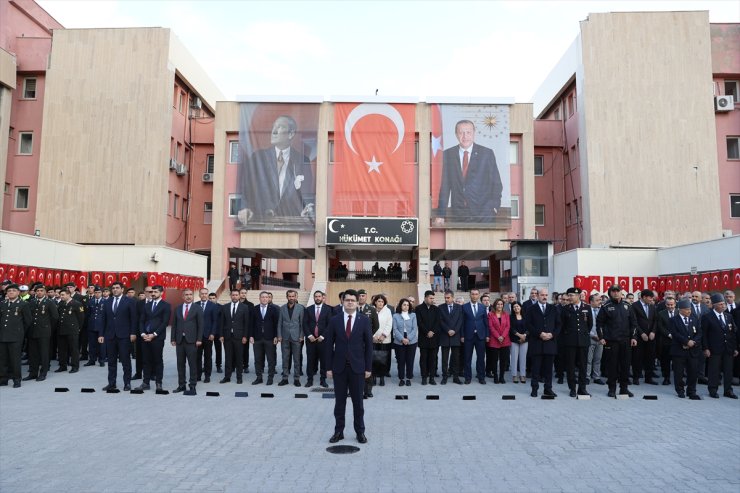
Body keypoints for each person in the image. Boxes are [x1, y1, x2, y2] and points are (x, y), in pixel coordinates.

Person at [237, 115, 315, 227]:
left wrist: (307, 209)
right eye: (273, 127)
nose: (273, 131)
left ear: (291, 134)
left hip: (291, 225)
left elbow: (305, 194)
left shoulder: (303, 161)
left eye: (280, 127)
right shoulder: (258, 158)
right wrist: (244, 208)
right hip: (260, 224)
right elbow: (246, 189)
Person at [326, 289, 372, 445]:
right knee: (339, 403)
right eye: (347, 300)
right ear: (343, 302)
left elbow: (369, 346)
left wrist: (368, 368)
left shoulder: (364, 320)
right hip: (339, 368)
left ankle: (360, 432)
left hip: (358, 368)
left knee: (358, 403)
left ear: (357, 302)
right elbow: (328, 346)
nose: (350, 302)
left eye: (353, 300)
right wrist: (328, 367)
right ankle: (338, 431)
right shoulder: (334, 320)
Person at [435, 119, 503, 224]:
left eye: (468, 132)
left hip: (484, 214)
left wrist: (494, 207)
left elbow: (496, 183)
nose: (465, 136)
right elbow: (445, 186)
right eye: (461, 132)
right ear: (456, 134)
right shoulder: (448, 154)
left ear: (474, 133)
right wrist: (441, 214)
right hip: (458, 214)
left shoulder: (486, 153)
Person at [596, 285, 638, 398]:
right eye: (613, 291)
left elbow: (634, 323)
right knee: (612, 366)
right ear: (610, 293)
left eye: (617, 291)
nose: (615, 293)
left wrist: (634, 337)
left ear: (621, 292)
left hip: (626, 341)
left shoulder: (627, 306)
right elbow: (599, 323)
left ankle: (624, 389)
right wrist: (601, 337)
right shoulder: (606, 306)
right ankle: (612, 389)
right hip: (611, 341)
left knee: (625, 366)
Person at [100, 282, 138, 392]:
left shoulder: (129, 301)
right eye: (113, 288)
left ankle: (127, 383)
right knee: (111, 361)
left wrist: (133, 333)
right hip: (110, 335)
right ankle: (111, 383)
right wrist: (101, 334)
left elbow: (133, 319)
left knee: (125, 361)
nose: (115, 290)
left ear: (122, 289)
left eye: (117, 288)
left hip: (124, 335)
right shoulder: (107, 302)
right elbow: (103, 320)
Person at [526, 287, 560, 398]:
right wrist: (539, 333)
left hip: (550, 343)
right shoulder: (531, 309)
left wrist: (552, 334)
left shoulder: (553, 309)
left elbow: (558, 324)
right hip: (536, 343)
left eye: (546, 295)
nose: (544, 297)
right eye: (542, 295)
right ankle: (534, 389)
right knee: (536, 368)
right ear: (537, 296)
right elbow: (528, 324)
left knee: (548, 369)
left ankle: (548, 389)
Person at [702, 293, 738, 399]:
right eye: (721, 304)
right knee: (714, 370)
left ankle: (728, 390)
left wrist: (735, 348)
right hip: (714, 349)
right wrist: (706, 348)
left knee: (728, 371)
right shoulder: (707, 317)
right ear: (715, 305)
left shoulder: (729, 316)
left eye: (724, 304)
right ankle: (713, 389)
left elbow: (733, 333)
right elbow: (704, 334)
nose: (723, 306)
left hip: (728, 348)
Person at [134, 285, 170, 392]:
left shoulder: (166, 306)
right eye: (152, 291)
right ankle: (146, 383)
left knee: (158, 360)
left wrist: (154, 334)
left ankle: (159, 383)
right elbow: (141, 321)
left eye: (155, 291)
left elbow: (165, 322)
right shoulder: (147, 305)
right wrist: (143, 334)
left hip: (157, 338)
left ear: (161, 293)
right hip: (145, 337)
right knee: (146, 361)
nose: (153, 293)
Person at [560, 287, 592, 397]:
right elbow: (562, 325)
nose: (569, 297)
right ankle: (572, 388)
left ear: (578, 296)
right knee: (570, 366)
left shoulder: (587, 307)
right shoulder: (565, 308)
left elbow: (589, 324)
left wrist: (583, 334)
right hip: (570, 341)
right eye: (568, 295)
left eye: (571, 295)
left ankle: (582, 388)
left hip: (583, 341)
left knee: (583, 366)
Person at [170, 289, 203, 394]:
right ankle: (181, 385)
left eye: (190, 295)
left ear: (193, 296)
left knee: (192, 364)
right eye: (186, 295)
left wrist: (199, 339)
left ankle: (192, 385)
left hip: (192, 341)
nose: (188, 296)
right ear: (182, 296)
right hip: (180, 340)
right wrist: (173, 338)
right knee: (180, 364)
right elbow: (174, 325)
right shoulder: (178, 308)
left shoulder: (197, 308)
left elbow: (200, 325)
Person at [0, 284, 32, 388]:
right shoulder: (3, 303)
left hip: (16, 336)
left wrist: (20, 332)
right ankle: (3, 379)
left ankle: (16, 379)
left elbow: (28, 321)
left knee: (15, 359)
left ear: (18, 292)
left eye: (13, 290)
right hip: (3, 335)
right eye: (9, 291)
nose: (11, 292)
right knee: (3, 359)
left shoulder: (23, 304)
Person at [669, 299, 702, 399]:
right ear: (680, 310)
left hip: (693, 351)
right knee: (679, 372)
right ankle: (680, 390)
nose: (689, 311)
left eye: (690, 309)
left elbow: (699, 333)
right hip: (679, 350)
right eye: (687, 309)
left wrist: (693, 342)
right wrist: (686, 342)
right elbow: (675, 333)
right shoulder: (673, 320)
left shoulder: (694, 319)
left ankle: (691, 391)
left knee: (693, 372)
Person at [24, 285, 58, 382]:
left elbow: (55, 317)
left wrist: (48, 327)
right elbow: (28, 316)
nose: (39, 292)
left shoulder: (49, 303)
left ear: (45, 292)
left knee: (44, 353)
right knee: (33, 353)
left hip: (44, 331)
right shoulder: (32, 302)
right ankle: (33, 373)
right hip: (32, 331)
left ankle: (43, 373)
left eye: (41, 290)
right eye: (37, 291)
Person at [219, 290, 250, 384]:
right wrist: (221, 335)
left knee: (239, 358)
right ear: (230, 296)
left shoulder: (244, 307)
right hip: (227, 336)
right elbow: (221, 323)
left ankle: (239, 377)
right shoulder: (225, 307)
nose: (235, 297)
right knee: (228, 357)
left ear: (239, 296)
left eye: (236, 295)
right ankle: (227, 377)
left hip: (239, 337)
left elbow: (246, 323)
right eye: (233, 295)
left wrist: (245, 336)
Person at [250, 291, 280, 385]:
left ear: (269, 298)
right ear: (259, 298)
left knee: (271, 359)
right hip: (257, 338)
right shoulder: (254, 309)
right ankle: (259, 377)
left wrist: (276, 336)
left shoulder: (274, 309)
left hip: (270, 338)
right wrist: (251, 336)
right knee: (257, 359)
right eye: (262, 297)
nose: (264, 299)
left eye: (266, 297)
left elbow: (277, 324)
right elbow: (251, 324)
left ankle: (270, 378)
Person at [303, 291, 331, 388]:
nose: (317, 298)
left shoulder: (328, 309)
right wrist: (309, 335)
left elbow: (329, 324)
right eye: (316, 296)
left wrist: (322, 336)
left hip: (323, 340)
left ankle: (323, 380)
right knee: (310, 360)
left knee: (323, 361)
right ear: (314, 298)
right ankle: (309, 380)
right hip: (311, 340)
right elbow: (305, 323)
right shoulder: (308, 309)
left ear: (322, 297)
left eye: (319, 296)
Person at [461, 289, 489, 384]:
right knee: (467, 358)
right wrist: (462, 335)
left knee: (481, 358)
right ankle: (467, 377)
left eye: (476, 294)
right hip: (468, 336)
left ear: (478, 295)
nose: (474, 296)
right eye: (472, 294)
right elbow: (462, 323)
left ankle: (481, 377)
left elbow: (486, 323)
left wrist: (487, 335)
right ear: (470, 295)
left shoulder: (482, 307)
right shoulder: (464, 307)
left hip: (480, 336)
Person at [278, 289, 305, 387]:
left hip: (296, 337)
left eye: (293, 296)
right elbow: (279, 323)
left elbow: (302, 323)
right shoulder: (282, 308)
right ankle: (285, 378)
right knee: (285, 358)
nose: (291, 298)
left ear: (296, 297)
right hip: (284, 337)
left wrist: (302, 336)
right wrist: (279, 335)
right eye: (289, 296)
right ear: (287, 297)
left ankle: (296, 379)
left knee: (297, 359)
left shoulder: (301, 308)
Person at [631, 289, 657, 385]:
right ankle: (636, 377)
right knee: (637, 357)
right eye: (650, 298)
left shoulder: (652, 306)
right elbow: (634, 322)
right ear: (644, 297)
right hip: (639, 336)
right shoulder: (634, 306)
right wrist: (641, 333)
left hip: (650, 337)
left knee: (650, 357)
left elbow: (655, 320)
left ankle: (648, 377)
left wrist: (653, 332)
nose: (651, 300)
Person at [356, 289, 379, 398]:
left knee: (368, 365)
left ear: (366, 297)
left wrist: (368, 335)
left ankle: (368, 390)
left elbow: (376, 325)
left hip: (367, 343)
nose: (361, 297)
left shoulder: (371, 309)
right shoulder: (351, 308)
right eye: (359, 295)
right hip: (354, 343)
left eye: (363, 295)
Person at [56, 290, 85, 373]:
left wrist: (78, 328)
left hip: (72, 330)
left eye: (63, 295)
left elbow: (81, 318)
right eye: (60, 295)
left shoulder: (77, 304)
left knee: (73, 349)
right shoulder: (61, 304)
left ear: (68, 294)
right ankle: (63, 366)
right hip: (62, 329)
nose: (61, 296)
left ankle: (75, 366)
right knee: (62, 349)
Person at [195, 288, 220, 383]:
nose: (204, 295)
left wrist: (213, 333)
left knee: (207, 356)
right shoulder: (195, 305)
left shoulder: (212, 306)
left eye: (206, 293)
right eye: (202, 293)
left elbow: (215, 321)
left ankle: (207, 375)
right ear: (199, 295)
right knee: (197, 356)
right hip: (197, 336)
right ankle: (198, 375)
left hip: (208, 335)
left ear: (207, 294)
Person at [415, 290, 440, 386]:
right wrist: (427, 332)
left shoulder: (436, 309)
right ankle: (424, 377)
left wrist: (432, 332)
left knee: (433, 359)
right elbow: (419, 322)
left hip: (434, 338)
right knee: (423, 358)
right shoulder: (418, 308)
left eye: (433, 298)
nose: (432, 300)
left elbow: (438, 322)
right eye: (430, 298)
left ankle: (432, 378)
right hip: (424, 337)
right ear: (425, 298)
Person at [439, 290, 463, 385]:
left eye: (448, 298)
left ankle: (455, 377)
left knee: (456, 358)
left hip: (456, 336)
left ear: (452, 297)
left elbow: (460, 320)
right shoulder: (440, 307)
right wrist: (448, 330)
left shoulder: (459, 308)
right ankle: (445, 376)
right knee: (444, 358)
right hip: (445, 336)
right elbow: (440, 321)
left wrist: (455, 331)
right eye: (445, 297)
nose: (446, 299)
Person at [392, 298, 418, 386]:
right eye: (404, 305)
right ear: (400, 306)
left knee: (410, 360)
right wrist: (402, 339)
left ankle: (409, 378)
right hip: (399, 341)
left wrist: (408, 339)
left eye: (407, 305)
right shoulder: (395, 316)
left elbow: (415, 328)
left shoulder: (413, 315)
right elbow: (395, 329)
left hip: (411, 341)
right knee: (401, 361)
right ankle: (401, 378)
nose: (406, 306)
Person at [487, 298, 511, 384]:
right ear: (495, 305)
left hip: (505, 340)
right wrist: (498, 336)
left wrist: (503, 336)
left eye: (501, 304)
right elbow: (491, 327)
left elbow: (508, 327)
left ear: (503, 305)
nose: (500, 306)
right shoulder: (490, 314)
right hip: (494, 340)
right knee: (494, 359)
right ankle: (495, 376)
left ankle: (502, 376)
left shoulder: (506, 315)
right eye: (498, 304)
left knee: (503, 360)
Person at [371, 294, 393, 386]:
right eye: (379, 301)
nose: (380, 303)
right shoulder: (370, 310)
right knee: (373, 358)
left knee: (383, 358)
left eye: (382, 301)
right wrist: (373, 336)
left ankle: (382, 377)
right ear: (375, 302)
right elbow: (368, 323)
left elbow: (389, 324)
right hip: (373, 338)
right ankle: (374, 376)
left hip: (384, 339)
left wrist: (383, 336)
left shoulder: (387, 311)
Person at [656, 296, 677, 385]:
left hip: (677, 341)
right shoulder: (661, 313)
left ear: (675, 304)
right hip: (665, 341)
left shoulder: (679, 312)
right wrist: (668, 334)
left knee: (677, 362)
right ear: (665, 305)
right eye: (668, 305)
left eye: (672, 304)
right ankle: (666, 378)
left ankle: (678, 379)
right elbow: (660, 327)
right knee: (665, 361)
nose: (670, 306)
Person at [586, 294, 605, 385]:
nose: (600, 302)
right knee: (588, 359)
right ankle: (587, 377)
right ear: (591, 301)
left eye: (600, 300)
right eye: (597, 300)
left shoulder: (602, 310)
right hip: (590, 338)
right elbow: (584, 326)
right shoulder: (586, 310)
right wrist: (592, 335)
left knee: (598, 359)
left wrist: (601, 336)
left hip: (600, 339)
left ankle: (596, 377)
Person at [85, 286, 106, 367]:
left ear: (102, 293)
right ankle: (92, 360)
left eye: (99, 292)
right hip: (91, 326)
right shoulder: (91, 301)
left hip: (101, 326)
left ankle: (101, 360)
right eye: (96, 292)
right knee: (91, 344)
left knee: (101, 344)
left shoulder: (105, 302)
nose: (97, 294)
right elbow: (88, 314)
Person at [509, 301, 527, 384]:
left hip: (525, 340)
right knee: (514, 358)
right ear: (512, 308)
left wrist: (524, 336)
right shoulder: (511, 317)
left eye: (518, 306)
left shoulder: (525, 316)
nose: (516, 308)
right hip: (514, 340)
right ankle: (514, 375)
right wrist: (520, 335)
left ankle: (522, 375)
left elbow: (529, 327)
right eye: (514, 307)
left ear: (520, 307)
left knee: (523, 358)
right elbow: (511, 328)